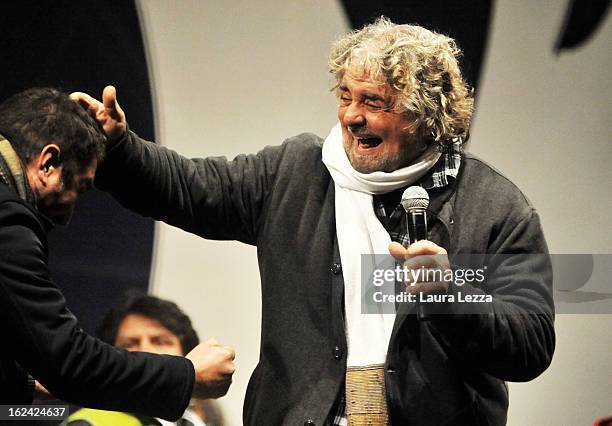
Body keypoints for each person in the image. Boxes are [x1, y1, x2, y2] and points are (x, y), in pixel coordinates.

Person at [74, 17, 555, 426]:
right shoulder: (297, 171)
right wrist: (119, 150)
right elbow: (189, 187)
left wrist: (452, 300)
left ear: (428, 115)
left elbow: (530, 344)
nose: (351, 116)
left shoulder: (497, 208)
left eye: (373, 102)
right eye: (346, 96)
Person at [0, 88, 235, 421]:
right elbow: (69, 361)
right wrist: (187, 375)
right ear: (49, 163)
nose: (67, 218)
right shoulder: (7, 219)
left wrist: (22, 382)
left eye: (159, 340)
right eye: (80, 188)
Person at [65, 292, 225, 426]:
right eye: (130, 343)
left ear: (188, 354)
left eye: (160, 341)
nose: (145, 351)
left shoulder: (201, 419)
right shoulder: (89, 423)